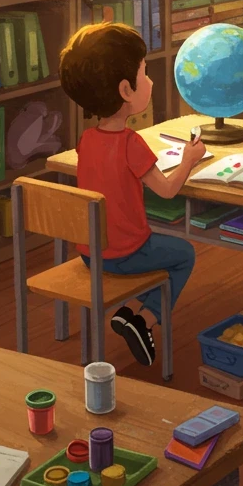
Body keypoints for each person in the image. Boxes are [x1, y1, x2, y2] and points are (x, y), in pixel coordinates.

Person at [59, 23, 206, 366]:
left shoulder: (87, 140)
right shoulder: (130, 143)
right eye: (145, 73)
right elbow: (168, 191)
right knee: (183, 254)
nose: (151, 81)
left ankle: (133, 314)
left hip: (90, 253)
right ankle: (144, 318)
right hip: (126, 253)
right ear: (126, 90)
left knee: (163, 247)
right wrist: (189, 159)